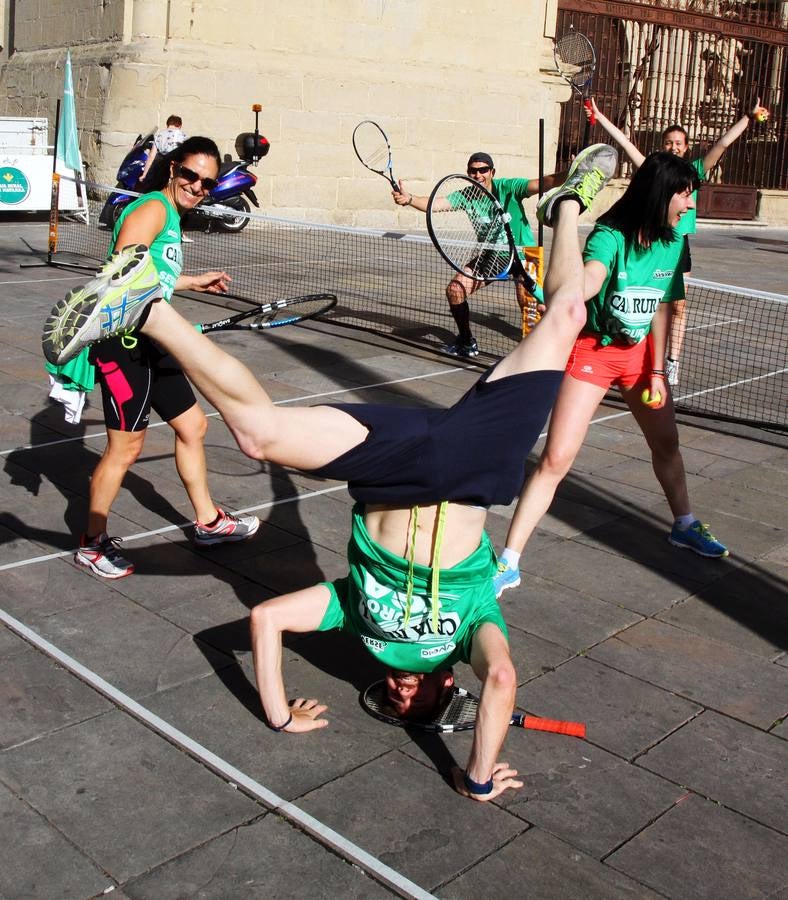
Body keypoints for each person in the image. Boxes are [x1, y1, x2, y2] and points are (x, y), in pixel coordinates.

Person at [42, 144, 620, 799]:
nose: (403, 692)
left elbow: (266, 619)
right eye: (417, 700)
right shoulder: (475, 629)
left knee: (257, 434)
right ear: (447, 684)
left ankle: (147, 308)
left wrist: (279, 713)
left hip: (396, 470)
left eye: (394, 700)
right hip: (474, 466)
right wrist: (479, 778)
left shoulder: (356, 618)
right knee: (568, 315)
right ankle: (568, 203)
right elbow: (504, 680)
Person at [492, 150, 730, 600]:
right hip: (593, 353)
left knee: (667, 444)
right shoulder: (609, 236)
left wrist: (657, 370)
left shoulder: (674, 241)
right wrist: (569, 294)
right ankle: (509, 562)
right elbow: (589, 282)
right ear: (659, 193)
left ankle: (684, 524)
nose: (689, 204)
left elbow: (662, 306)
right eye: (684, 195)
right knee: (556, 459)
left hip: (641, 359)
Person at [56, 136, 259, 579]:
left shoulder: (171, 214)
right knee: (126, 447)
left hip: (153, 337)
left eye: (207, 183)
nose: (197, 186)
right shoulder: (153, 209)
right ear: (172, 169)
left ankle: (208, 523)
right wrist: (176, 327)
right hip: (123, 344)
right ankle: (92, 543)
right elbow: (123, 272)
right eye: (190, 175)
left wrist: (190, 282)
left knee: (193, 425)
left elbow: (156, 272)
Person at [585, 95, 768, 385]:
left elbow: (722, 144)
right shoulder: (655, 171)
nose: (673, 147)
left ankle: (672, 362)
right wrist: (601, 116)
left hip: (678, 247)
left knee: (677, 306)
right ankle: (636, 352)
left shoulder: (693, 172)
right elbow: (626, 144)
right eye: (668, 142)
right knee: (646, 300)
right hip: (651, 244)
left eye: (678, 143)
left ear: (686, 146)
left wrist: (747, 117)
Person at [393, 152, 565, 358]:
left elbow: (542, 183)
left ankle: (545, 346)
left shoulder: (509, 187)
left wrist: (573, 173)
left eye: (483, 170)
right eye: (473, 171)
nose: (478, 175)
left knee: (529, 306)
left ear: (492, 172)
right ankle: (466, 342)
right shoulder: (467, 195)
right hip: (492, 255)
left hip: (522, 253)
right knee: (455, 290)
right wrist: (409, 199)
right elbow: (435, 204)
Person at [138, 115, 188, 186]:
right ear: (180, 126)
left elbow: (151, 156)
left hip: (162, 169)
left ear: (167, 124)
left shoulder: (159, 136)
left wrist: (144, 174)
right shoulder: (184, 137)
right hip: (176, 170)